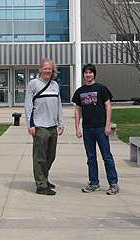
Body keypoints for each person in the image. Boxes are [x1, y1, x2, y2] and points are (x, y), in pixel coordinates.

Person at [72, 64, 119, 195]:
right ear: (83, 75)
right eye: (86, 73)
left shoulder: (101, 88)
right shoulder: (79, 92)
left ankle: (113, 183)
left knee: (107, 156)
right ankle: (93, 183)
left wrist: (107, 125)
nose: (88, 75)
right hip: (87, 128)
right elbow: (77, 110)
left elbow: (108, 106)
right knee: (91, 157)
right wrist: (77, 127)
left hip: (100, 127)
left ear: (94, 74)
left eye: (90, 72)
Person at [24, 58, 64, 196]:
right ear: (41, 69)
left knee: (50, 156)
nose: (47, 71)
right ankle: (41, 185)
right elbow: (28, 105)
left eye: (50, 69)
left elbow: (58, 104)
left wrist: (61, 122)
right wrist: (30, 125)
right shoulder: (33, 84)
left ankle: (44, 178)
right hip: (40, 126)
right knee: (39, 157)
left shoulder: (54, 85)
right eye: (45, 68)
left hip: (53, 126)